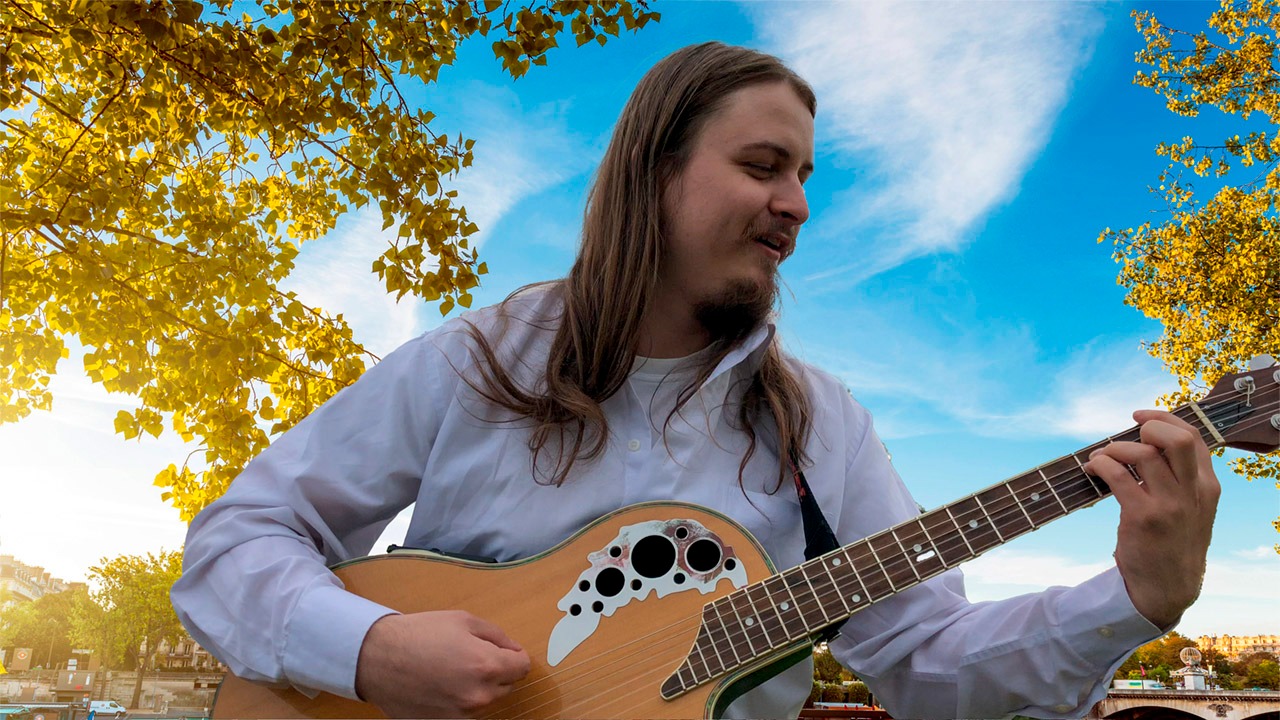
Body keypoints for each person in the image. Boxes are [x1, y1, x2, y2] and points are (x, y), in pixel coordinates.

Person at [170, 42, 1220, 719]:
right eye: (763, 166)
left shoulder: (824, 428)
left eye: (803, 176)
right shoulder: (474, 359)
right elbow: (237, 538)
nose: (796, 203)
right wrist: (368, 649)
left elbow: (927, 663)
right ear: (655, 170)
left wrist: (1136, 597)